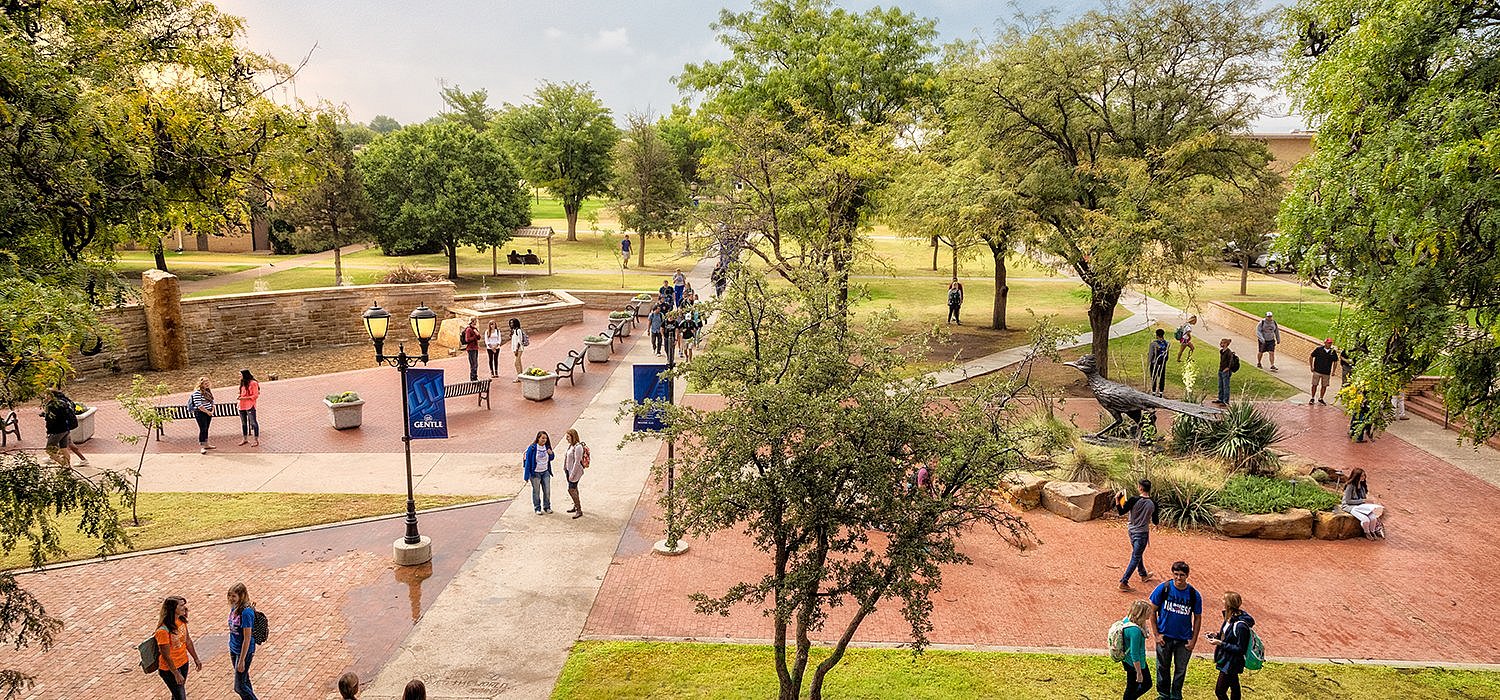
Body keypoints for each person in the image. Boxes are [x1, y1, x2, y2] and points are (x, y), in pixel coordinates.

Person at [1149, 561, 1202, 700]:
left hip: (1184, 639)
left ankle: (1176, 695)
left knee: (1181, 669)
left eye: (1182, 575)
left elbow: (1197, 618)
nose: (1179, 578)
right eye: (1176, 574)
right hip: (1164, 637)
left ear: (1187, 575)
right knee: (1162, 667)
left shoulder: (1193, 594)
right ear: (1172, 574)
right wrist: (1156, 634)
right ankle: (1163, 694)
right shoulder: (1163, 588)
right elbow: (1151, 611)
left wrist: (1193, 640)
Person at [1206, 591, 1255, 700]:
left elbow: (1240, 649)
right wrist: (1217, 635)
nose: (1222, 601)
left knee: (1219, 691)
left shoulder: (1241, 626)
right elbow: (1228, 635)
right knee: (1234, 687)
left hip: (1231, 662)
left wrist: (1220, 643)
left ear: (1228, 604)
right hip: (1226, 659)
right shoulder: (1229, 618)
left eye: (1224, 600)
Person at [155, 596, 202, 700]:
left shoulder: (181, 621)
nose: (184, 608)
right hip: (169, 670)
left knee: (177, 695)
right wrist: (176, 673)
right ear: (173, 609)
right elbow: (166, 655)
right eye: (181, 605)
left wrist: (196, 658)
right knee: (180, 696)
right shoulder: (163, 631)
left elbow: (188, 641)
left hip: (183, 663)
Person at [1116, 479, 1158, 592]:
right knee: (1136, 556)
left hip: (1131, 530)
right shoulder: (1153, 503)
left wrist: (1117, 500)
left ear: (1140, 488)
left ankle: (1143, 574)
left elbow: (1121, 512)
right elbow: (1155, 521)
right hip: (1142, 532)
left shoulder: (1133, 500)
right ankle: (1124, 582)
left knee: (1137, 553)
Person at [226, 582, 259, 700]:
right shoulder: (235, 607)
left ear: (242, 595)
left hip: (243, 651)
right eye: (229, 595)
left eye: (234, 596)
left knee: (239, 687)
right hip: (234, 649)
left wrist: (242, 660)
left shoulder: (246, 613)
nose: (231, 598)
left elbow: (247, 638)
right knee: (244, 681)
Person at [1120, 599, 1154, 700]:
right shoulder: (1135, 631)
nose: (1149, 616)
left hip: (1128, 661)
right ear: (1141, 614)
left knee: (1132, 687)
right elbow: (1134, 654)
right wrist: (1139, 673)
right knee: (1144, 684)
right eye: (1147, 614)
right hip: (1135, 664)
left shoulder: (1127, 620)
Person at [42, 388, 85, 467]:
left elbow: (51, 420)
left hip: (57, 430)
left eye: (46, 394)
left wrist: (49, 432)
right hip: (66, 429)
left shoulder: (52, 405)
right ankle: (67, 466)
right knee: (63, 448)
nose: (44, 396)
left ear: (51, 395)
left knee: (49, 450)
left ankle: (64, 464)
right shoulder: (64, 401)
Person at [1341, 467, 1386, 539]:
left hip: (1360, 506)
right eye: (1362, 476)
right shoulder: (1350, 486)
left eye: (1364, 475)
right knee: (1365, 520)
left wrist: (1368, 503)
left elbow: (1364, 498)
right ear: (1357, 476)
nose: (1364, 477)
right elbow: (1348, 501)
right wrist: (1363, 501)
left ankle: (1372, 531)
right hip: (1350, 506)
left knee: (1373, 518)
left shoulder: (1362, 486)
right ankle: (1367, 533)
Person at [523, 431, 555, 514]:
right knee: (536, 492)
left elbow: (551, 458)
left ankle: (547, 507)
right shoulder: (532, 448)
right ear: (538, 438)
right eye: (543, 438)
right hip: (535, 473)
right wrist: (526, 476)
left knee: (547, 491)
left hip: (545, 472)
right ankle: (537, 508)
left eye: (546, 438)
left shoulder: (547, 447)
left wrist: (551, 454)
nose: (544, 440)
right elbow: (528, 462)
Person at [563, 428, 587, 519]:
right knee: (574, 488)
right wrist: (565, 468)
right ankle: (575, 506)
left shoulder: (578, 447)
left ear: (573, 437)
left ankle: (579, 509)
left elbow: (577, 462)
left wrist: (572, 475)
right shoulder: (571, 446)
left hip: (574, 473)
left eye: (568, 437)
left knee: (571, 489)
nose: (567, 438)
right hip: (568, 471)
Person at [190, 377, 216, 454]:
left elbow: (212, 401)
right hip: (200, 413)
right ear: (201, 385)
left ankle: (206, 444)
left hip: (209, 412)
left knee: (206, 428)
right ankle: (202, 446)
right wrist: (207, 412)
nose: (207, 385)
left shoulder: (208, 391)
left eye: (208, 383)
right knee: (203, 428)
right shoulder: (197, 393)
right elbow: (199, 405)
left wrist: (212, 410)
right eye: (205, 383)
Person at [1308, 338, 1338, 405]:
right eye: (1328, 343)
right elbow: (1311, 356)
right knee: (1314, 384)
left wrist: (1333, 371)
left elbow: (1335, 361)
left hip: (1326, 372)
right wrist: (1311, 366)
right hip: (1317, 370)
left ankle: (1321, 398)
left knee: (1324, 386)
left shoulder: (1333, 352)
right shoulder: (1319, 349)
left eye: (1330, 343)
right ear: (1325, 343)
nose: (1329, 344)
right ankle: (1312, 398)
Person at [237, 369, 260, 447]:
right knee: (244, 423)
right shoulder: (242, 383)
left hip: (250, 405)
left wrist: (245, 398)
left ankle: (256, 440)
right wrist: (239, 397)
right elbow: (241, 393)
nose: (239, 376)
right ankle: (245, 438)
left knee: (253, 422)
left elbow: (255, 395)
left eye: (240, 374)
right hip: (241, 406)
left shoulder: (253, 383)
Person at [1147, 329, 1170, 397]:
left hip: (1154, 363)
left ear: (1157, 335)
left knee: (1154, 376)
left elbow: (1151, 354)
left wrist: (1149, 362)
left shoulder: (1153, 343)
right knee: (1162, 377)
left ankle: (1153, 392)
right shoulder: (1167, 343)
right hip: (1162, 363)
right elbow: (1167, 355)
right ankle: (1161, 392)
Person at [1215, 338, 1236, 405]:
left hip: (1226, 371)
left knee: (1226, 386)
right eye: (1221, 343)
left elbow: (1230, 361)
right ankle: (1220, 398)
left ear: (1226, 344)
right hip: (1221, 370)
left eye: (1223, 343)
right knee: (1220, 385)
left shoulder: (1228, 352)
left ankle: (1225, 401)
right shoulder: (1222, 351)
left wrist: (1228, 368)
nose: (1221, 344)